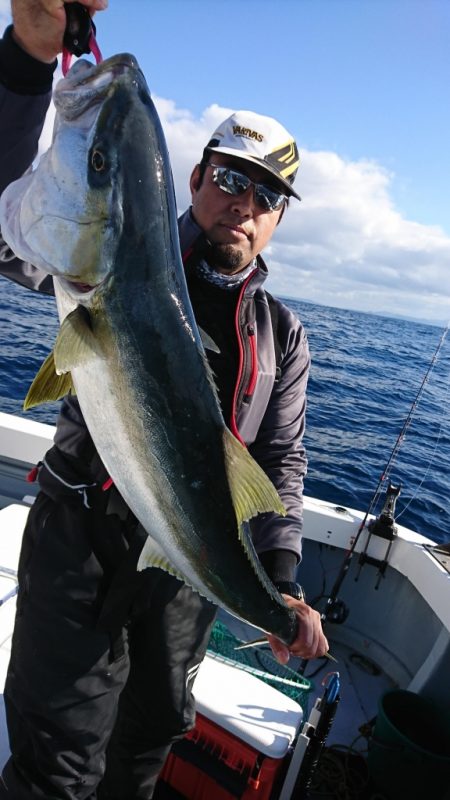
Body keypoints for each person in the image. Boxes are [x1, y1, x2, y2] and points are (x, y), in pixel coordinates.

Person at [0, 1, 328, 798]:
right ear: (195, 179)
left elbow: (278, 464)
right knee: (57, 767)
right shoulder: (102, 254)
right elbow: (9, 221)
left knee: (145, 751)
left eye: (266, 195)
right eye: (230, 179)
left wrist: (281, 586)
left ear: (279, 218)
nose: (243, 203)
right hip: (81, 542)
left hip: (187, 572)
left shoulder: (282, 336)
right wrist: (26, 61)